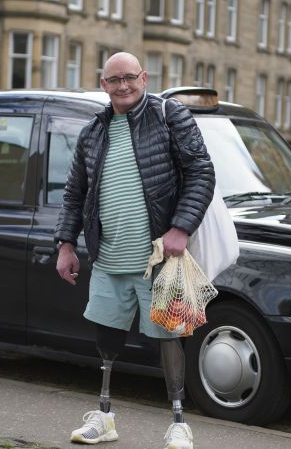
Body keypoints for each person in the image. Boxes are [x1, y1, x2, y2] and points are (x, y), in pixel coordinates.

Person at [54, 52, 215, 449]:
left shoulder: (168, 115)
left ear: (144, 78)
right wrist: (65, 243)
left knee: (169, 337)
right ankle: (105, 417)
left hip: (160, 260)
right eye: (114, 79)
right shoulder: (92, 132)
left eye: (130, 77)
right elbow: (75, 194)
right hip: (108, 260)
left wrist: (181, 227)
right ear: (103, 84)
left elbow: (201, 171)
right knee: (106, 339)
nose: (123, 85)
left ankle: (179, 424)